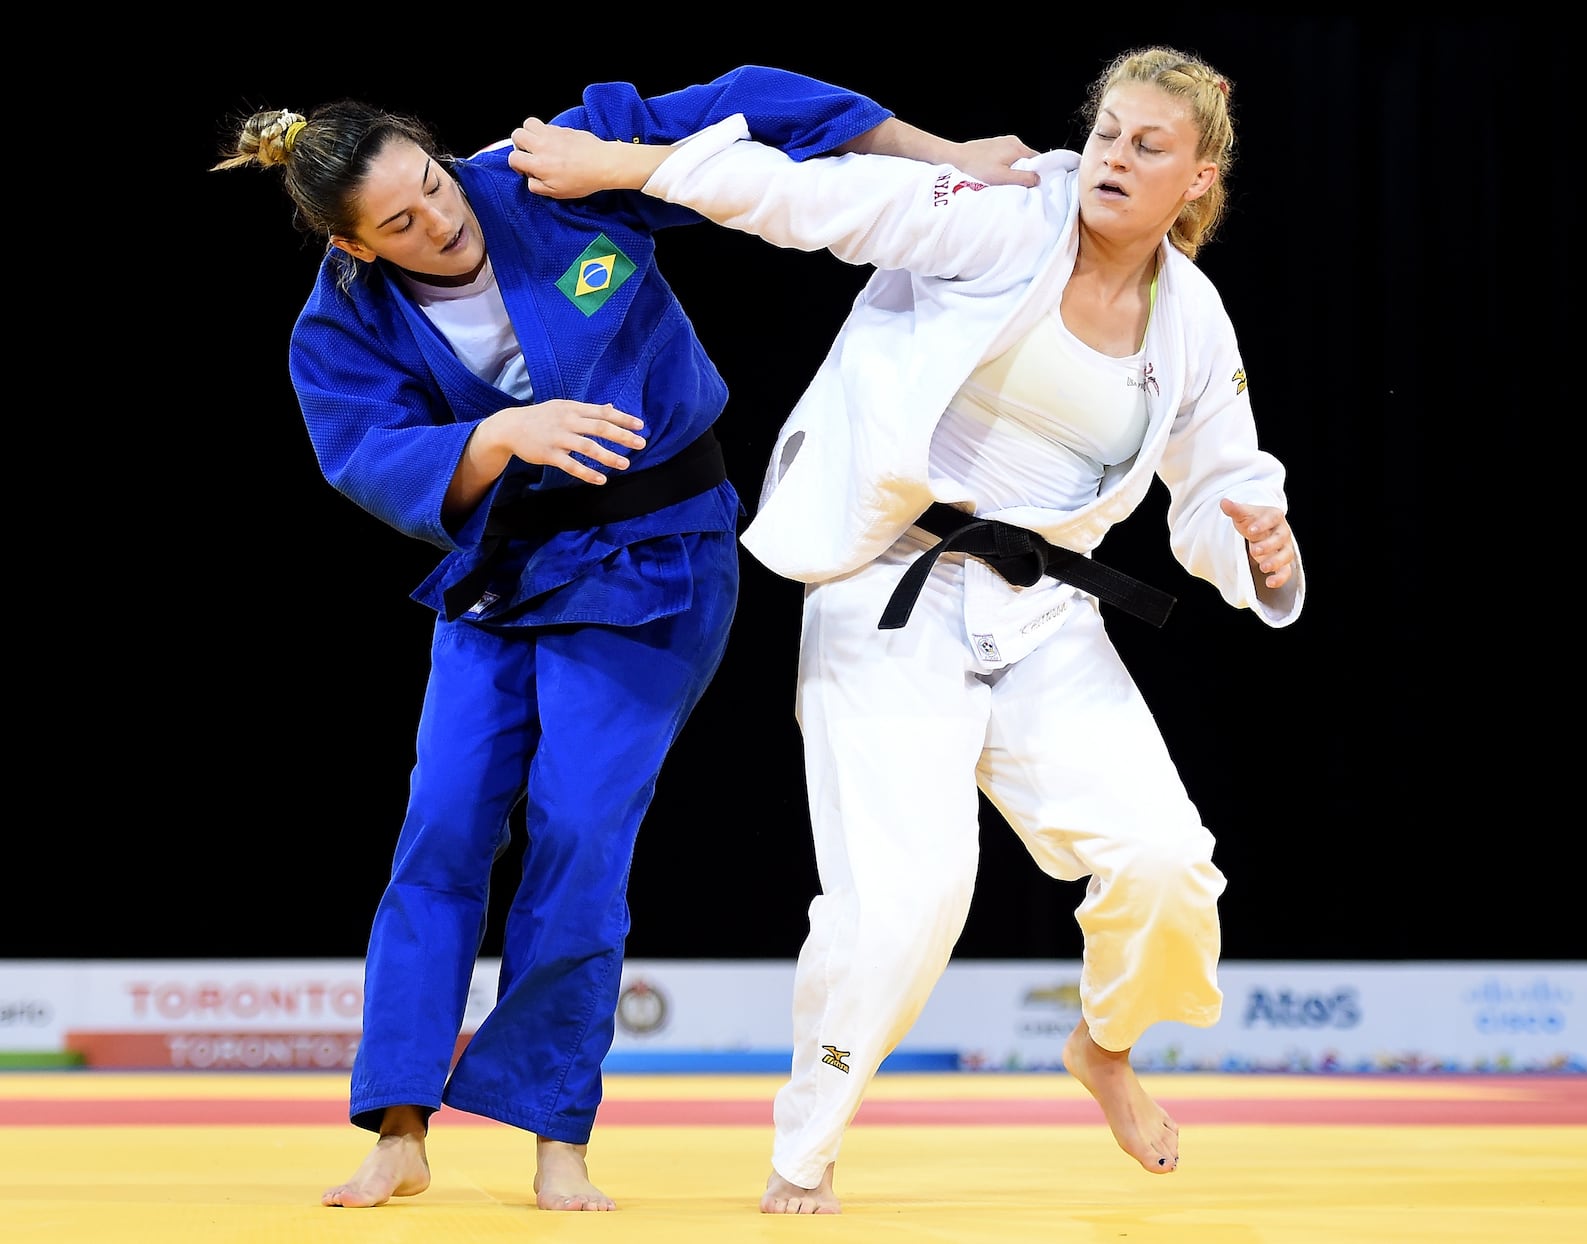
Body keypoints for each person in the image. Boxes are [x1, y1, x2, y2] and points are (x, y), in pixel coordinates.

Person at [209, 69, 1038, 1213]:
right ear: (351, 246)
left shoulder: (550, 170)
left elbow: (752, 101)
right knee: (441, 825)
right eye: (399, 222)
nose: (439, 220)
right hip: (502, 571)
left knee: (578, 829)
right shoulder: (340, 320)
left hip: (658, 554)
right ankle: (399, 1124)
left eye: (436, 186)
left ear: (442, 153)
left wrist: (935, 146)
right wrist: (500, 431)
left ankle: (557, 1134)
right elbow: (366, 450)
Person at [507, 46, 1305, 1213]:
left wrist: (1257, 546)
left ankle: (1106, 1046)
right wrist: (616, 163)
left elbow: (1221, 481)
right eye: (1107, 132)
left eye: (1148, 145)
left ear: (1197, 178)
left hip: (1042, 613)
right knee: (905, 898)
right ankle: (807, 1144)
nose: (1113, 158)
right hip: (888, 582)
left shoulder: (1190, 318)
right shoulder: (1002, 218)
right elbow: (811, 199)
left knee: (1169, 865)